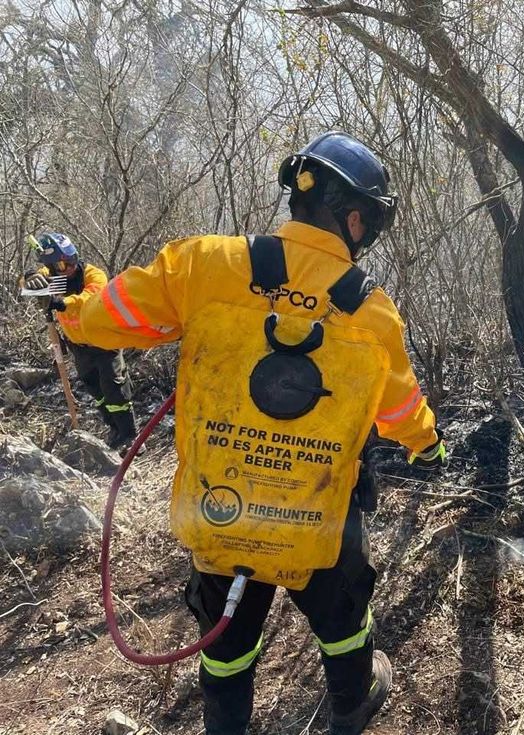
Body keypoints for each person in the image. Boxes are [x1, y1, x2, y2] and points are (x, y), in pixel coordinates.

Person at [77, 131, 447, 735]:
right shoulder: (369, 310)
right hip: (320, 513)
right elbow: (399, 409)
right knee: (344, 616)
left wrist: (79, 297)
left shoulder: (202, 263)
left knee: (228, 643)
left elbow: (103, 320)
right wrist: (427, 442)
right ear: (355, 218)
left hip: (224, 507)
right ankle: (351, 706)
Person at [21, 232, 138, 449]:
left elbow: (90, 297)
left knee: (114, 388)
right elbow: (31, 282)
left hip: (105, 343)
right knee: (96, 390)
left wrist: (61, 302)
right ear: (53, 265)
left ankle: (131, 437)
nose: (69, 267)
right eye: (63, 264)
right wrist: (29, 277)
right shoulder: (51, 274)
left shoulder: (94, 274)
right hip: (79, 347)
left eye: (71, 259)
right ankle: (114, 431)